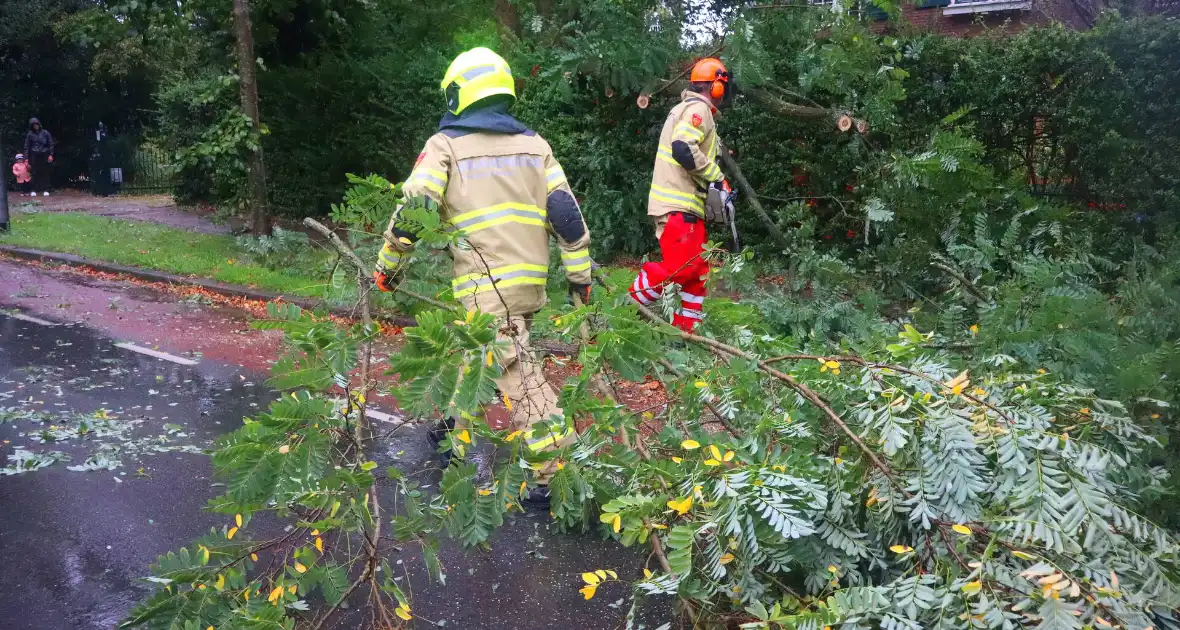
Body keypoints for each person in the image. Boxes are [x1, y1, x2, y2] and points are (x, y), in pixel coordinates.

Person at [373, 47, 592, 508]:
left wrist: (389, 267)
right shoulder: (537, 147)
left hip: (484, 284)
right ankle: (454, 427)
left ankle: (557, 473)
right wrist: (579, 281)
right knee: (481, 350)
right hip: (529, 282)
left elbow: (416, 211)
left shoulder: (445, 146)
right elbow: (567, 217)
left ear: (458, 93)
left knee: (516, 370)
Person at [629, 58, 734, 332]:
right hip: (678, 204)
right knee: (680, 269)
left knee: (697, 271)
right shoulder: (698, 109)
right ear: (716, 87)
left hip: (689, 206)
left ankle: (687, 331)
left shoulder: (688, 109)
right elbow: (683, 148)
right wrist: (717, 177)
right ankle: (627, 307)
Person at [24, 118, 54, 197]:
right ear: (31, 126)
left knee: (45, 172)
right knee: (34, 172)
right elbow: (26, 146)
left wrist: (51, 154)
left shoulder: (45, 133)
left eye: (36, 124)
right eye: (34, 125)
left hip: (45, 154)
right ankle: (33, 190)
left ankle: (46, 189)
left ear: (39, 124)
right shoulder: (30, 134)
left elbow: (51, 144)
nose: (35, 126)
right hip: (34, 155)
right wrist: (26, 158)